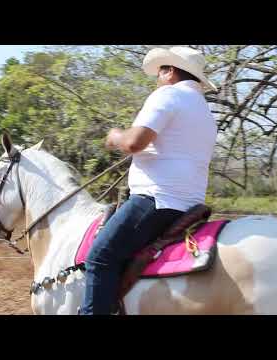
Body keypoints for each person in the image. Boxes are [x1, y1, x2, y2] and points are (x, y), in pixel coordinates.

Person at [79, 46, 218, 314]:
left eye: (159, 71)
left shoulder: (167, 95)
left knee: (99, 257)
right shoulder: (204, 111)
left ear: (169, 71)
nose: (157, 78)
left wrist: (115, 136)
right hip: (190, 207)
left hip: (156, 200)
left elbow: (134, 142)